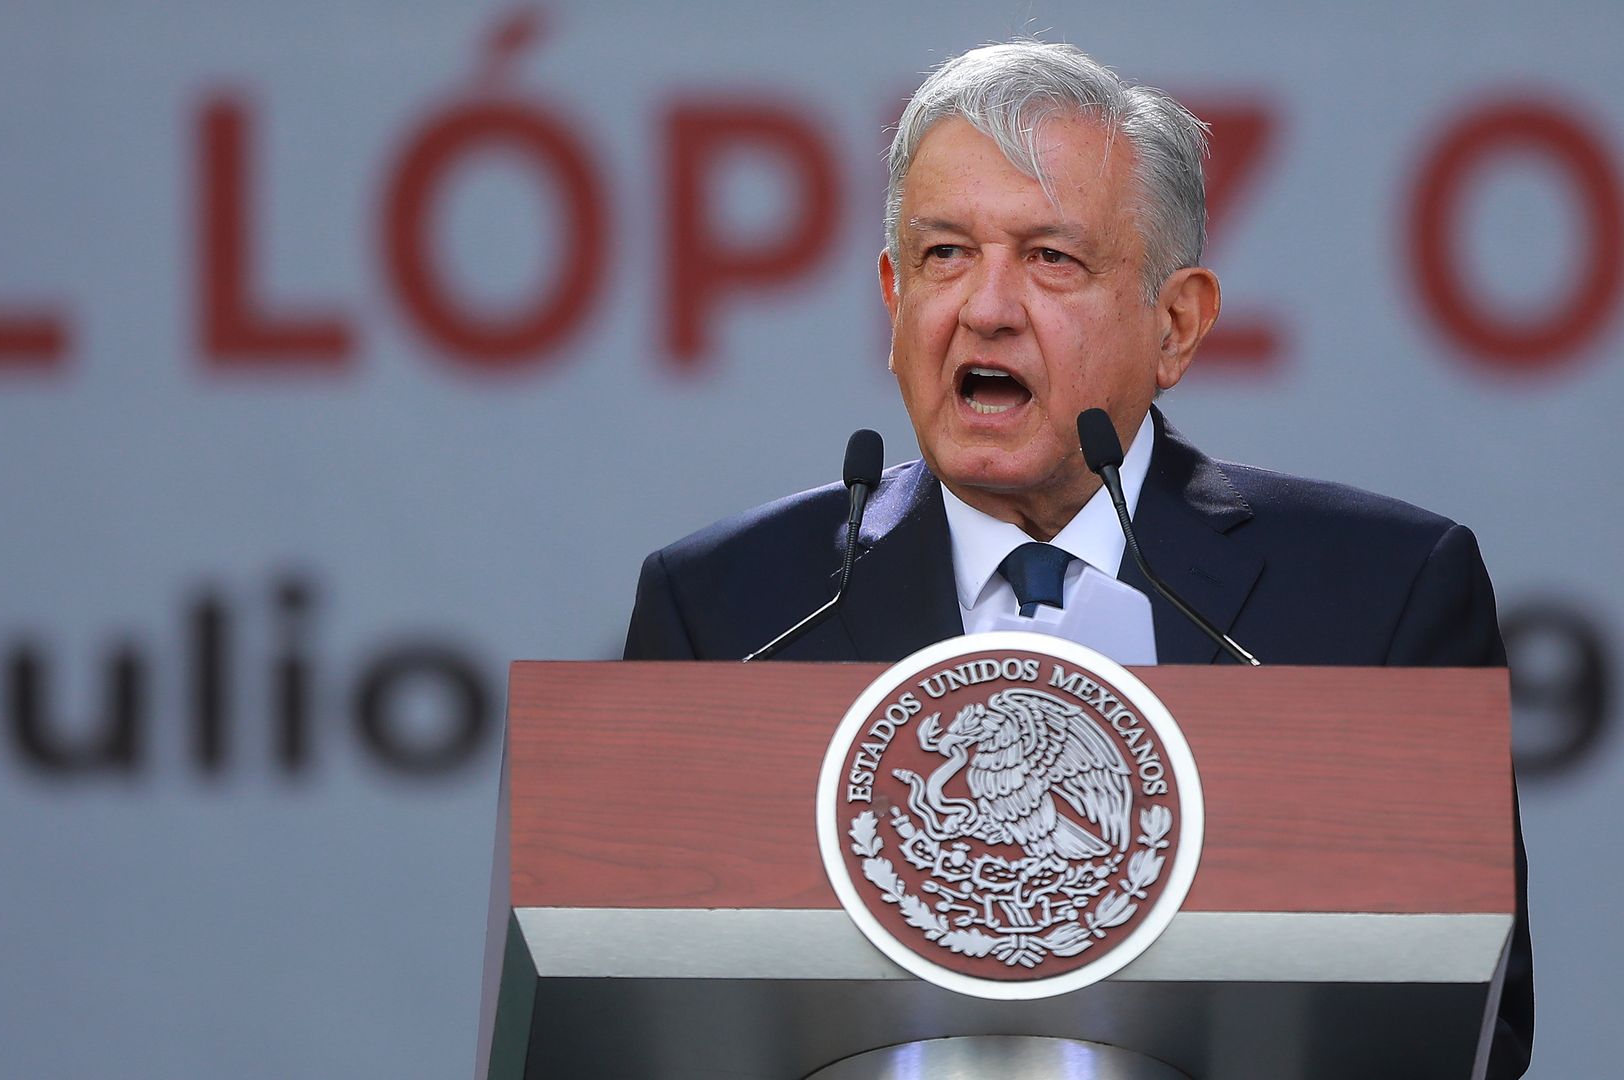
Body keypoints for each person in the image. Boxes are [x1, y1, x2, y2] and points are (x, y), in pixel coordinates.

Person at [622, 41, 1531, 1077]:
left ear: (1176, 325)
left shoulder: (1383, 600)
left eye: (1051, 257)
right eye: (944, 255)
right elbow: (645, 1015)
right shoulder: (730, 614)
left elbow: (1475, 1032)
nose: (986, 306)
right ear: (893, 299)